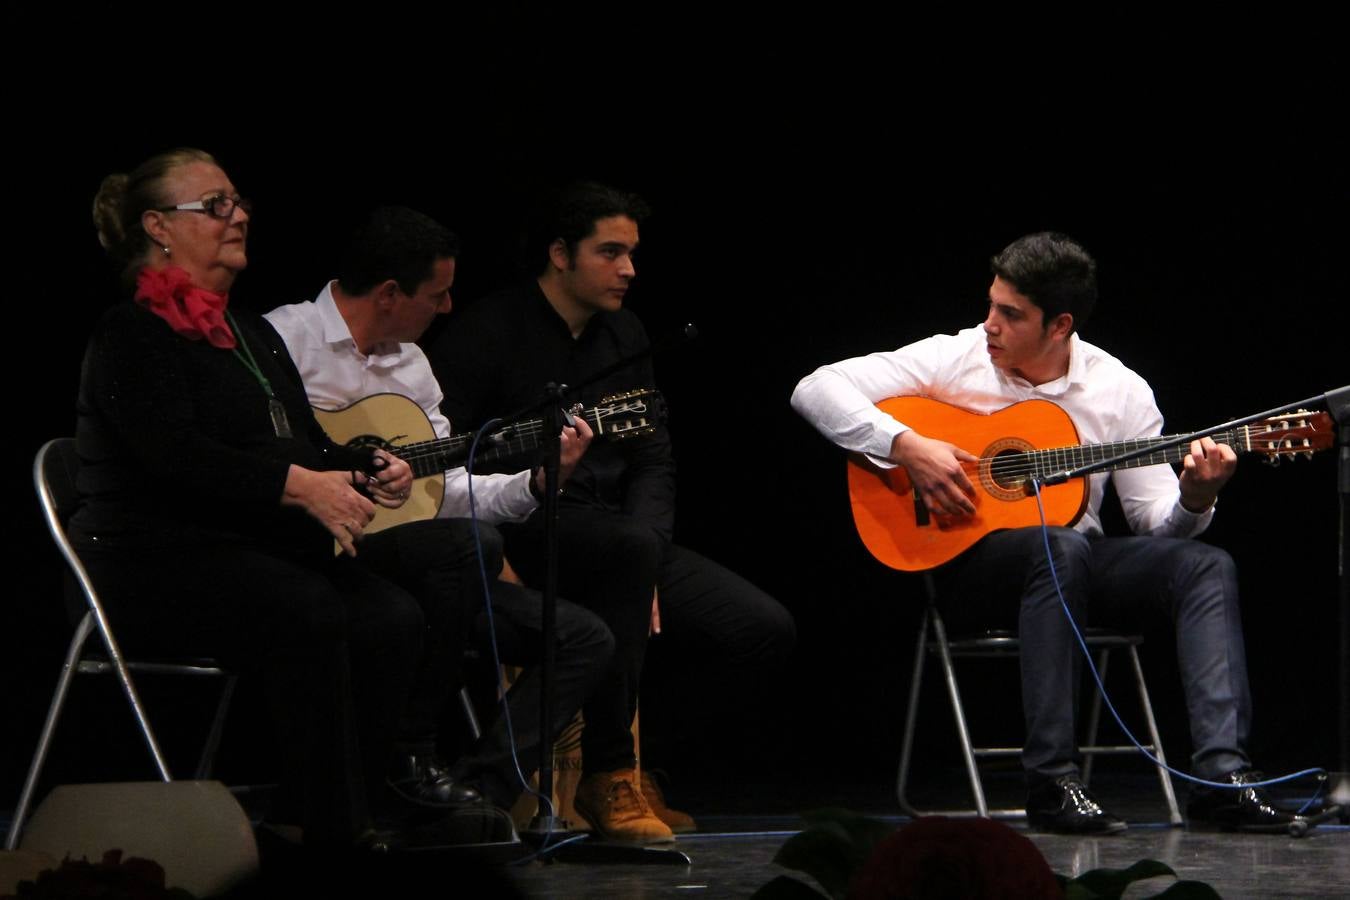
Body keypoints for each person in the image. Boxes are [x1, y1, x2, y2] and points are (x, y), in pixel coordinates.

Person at [791, 232, 1302, 834]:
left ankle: (1221, 780)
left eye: (1010, 315)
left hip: (1076, 564)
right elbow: (815, 387)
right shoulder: (955, 358)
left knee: (1204, 566)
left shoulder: (1119, 389)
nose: (989, 325)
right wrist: (907, 446)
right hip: (970, 565)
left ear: (1059, 325)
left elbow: (1156, 526)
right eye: (991, 305)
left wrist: (1197, 496)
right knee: (1059, 548)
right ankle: (1052, 783)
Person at [427, 182, 796, 842]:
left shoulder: (624, 331)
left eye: (631, 253)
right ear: (560, 254)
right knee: (623, 552)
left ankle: (642, 767)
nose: (629, 269)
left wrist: (650, 553)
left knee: (760, 629)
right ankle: (607, 772)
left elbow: (655, 457)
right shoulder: (487, 331)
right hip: (522, 526)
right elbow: (449, 461)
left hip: (618, 536)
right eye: (611, 252)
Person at [75, 148, 422, 847]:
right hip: (149, 561)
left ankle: (316, 813)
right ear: (158, 227)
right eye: (214, 206)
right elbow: (173, 456)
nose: (237, 216)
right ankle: (331, 830)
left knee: (391, 614)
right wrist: (298, 487)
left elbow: (305, 440)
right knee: (308, 605)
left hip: (241, 547)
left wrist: (366, 467)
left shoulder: (250, 331)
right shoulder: (131, 332)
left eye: (236, 203)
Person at [264, 205, 614, 816]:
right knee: (468, 547)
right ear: (392, 294)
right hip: (315, 557)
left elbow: (449, 488)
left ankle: (476, 792)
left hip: (422, 565)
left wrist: (536, 481)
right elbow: (264, 456)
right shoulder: (284, 341)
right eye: (439, 294)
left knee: (582, 636)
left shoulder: (413, 364)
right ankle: (410, 758)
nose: (449, 309)